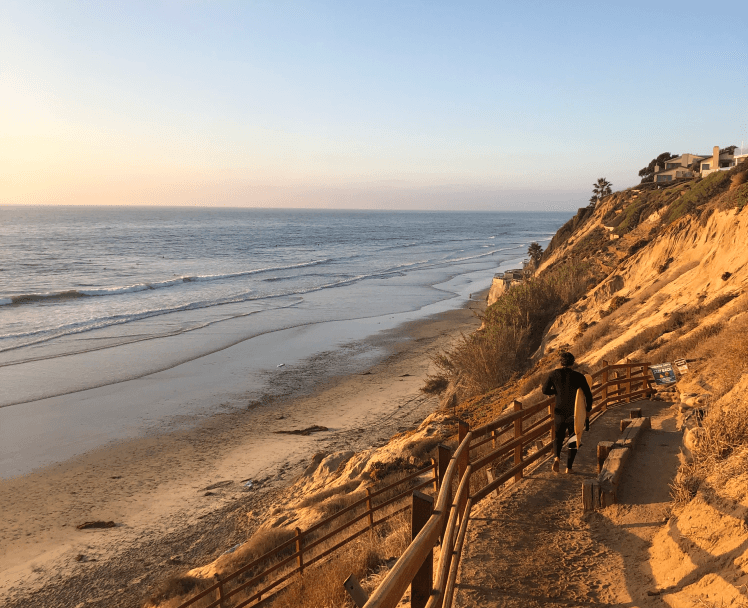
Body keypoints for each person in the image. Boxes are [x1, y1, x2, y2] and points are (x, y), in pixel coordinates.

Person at [542, 351, 593, 474]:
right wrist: (588, 409)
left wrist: (556, 392)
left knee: (558, 437)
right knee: (573, 438)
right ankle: (568, 467)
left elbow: (544, 390)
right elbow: (588, 395)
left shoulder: (554, 374)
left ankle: (557, 458)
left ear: (561, 363)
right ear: (573, 363)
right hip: (574, 413)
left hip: (559, 411)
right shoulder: (579, 376)